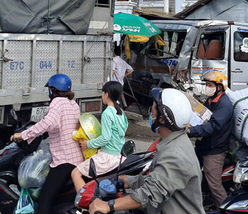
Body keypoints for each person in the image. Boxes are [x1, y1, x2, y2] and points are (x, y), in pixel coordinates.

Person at [88, 88, 204, 214]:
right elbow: (158, 180)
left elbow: (149, 194)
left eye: (152, 110)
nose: (150, 113)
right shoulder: (172, 141)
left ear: (162, 119)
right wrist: (127, 181)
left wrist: (108, 205)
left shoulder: (174, 155)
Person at [11, 74, 83, 214]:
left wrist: (23, 135)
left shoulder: (57, 102)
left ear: (52, 89)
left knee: (44, 200)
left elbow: (48, 123)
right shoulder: (73, 103)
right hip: (77, 158)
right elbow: (61, 125)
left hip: (64, 160)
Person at [187, 70, 233, 209]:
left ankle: (224, 209)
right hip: (204, 145)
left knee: (214, 183)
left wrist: (191, 131)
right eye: (206, 84)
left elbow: (212, 126)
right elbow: (203, 117)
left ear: (219, 87)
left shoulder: (224, 105)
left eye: (209, 85)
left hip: (215, 150)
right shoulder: (211, 100)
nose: (207, 87)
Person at [71, 81, 129, 192]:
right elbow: (121, 132)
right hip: (119, 157)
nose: (102, 96)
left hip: (108, 157)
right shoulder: (121, 112)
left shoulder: (107, 113)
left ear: (106, 95)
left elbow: (105, 138)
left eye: (102, 93)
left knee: (75, 173)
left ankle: (84, 204)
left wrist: (87, 144)